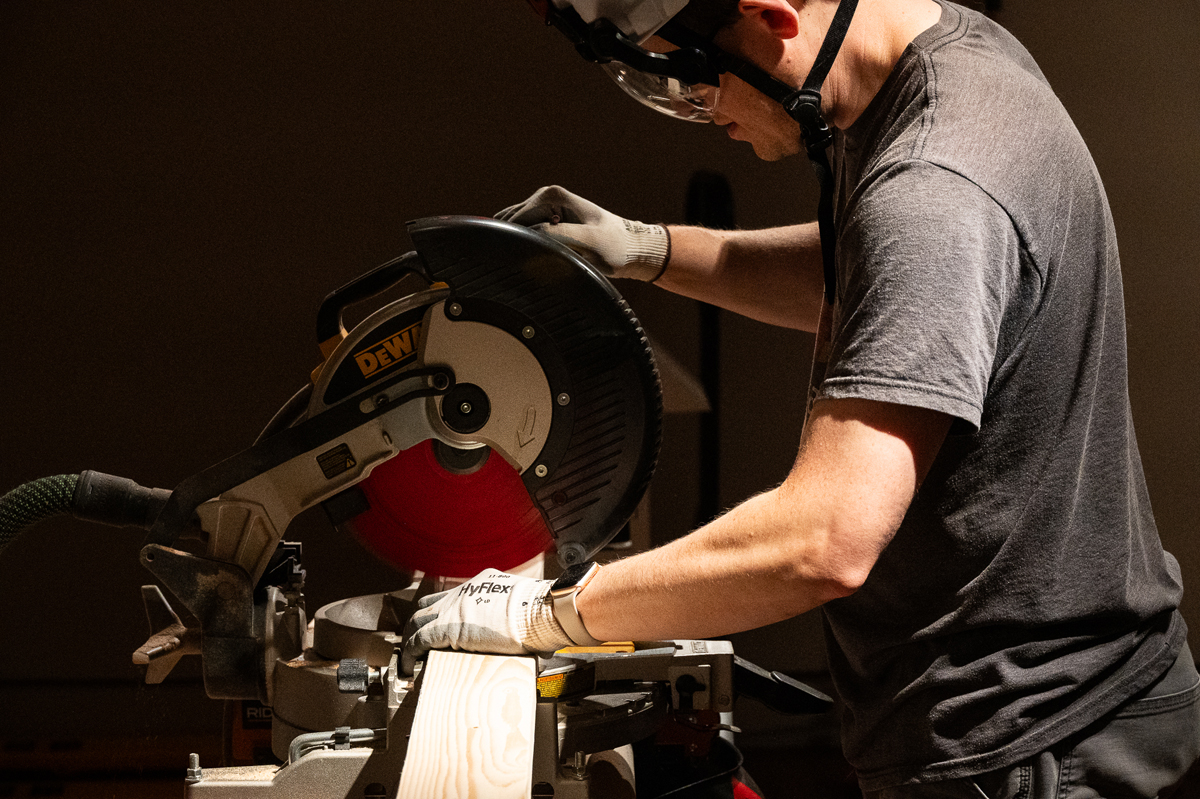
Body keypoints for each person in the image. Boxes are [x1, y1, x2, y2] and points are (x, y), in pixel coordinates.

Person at [402, 0, 1200, 794]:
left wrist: (549, 612)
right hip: (1047, 709)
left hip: (1032, 741)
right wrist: (647, 248)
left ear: (772, 16)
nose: (701, 108)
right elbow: (876, 276)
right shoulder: (949, 57)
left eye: (695, 76)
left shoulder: (937, 183)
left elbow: (824, 537)